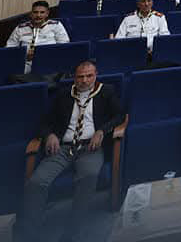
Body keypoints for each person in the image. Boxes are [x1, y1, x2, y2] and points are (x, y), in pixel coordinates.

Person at [13, 61, 124, 242]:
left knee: (88, 176)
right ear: (74, 77)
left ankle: (74, 232)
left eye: (89, 76)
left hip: (90, 147)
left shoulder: (106, 92)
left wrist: (102, 131)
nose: (85, 80)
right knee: (37, 183)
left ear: (96, 75)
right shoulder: (64, 95)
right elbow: (45, 122)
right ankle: (29, 234)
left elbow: (119, 115)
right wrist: (49, 135)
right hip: (63, 147)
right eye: (80, 76)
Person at [6, 1, 70, 73]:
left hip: (49, 63)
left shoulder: (56, 26)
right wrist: (22, 56)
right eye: (35, 12)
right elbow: (10, 47)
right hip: (25, 63)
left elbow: (63, 46)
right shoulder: (20, 28)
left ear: (47, 13)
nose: (38, 15)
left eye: (42, 12)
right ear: (31, 14)